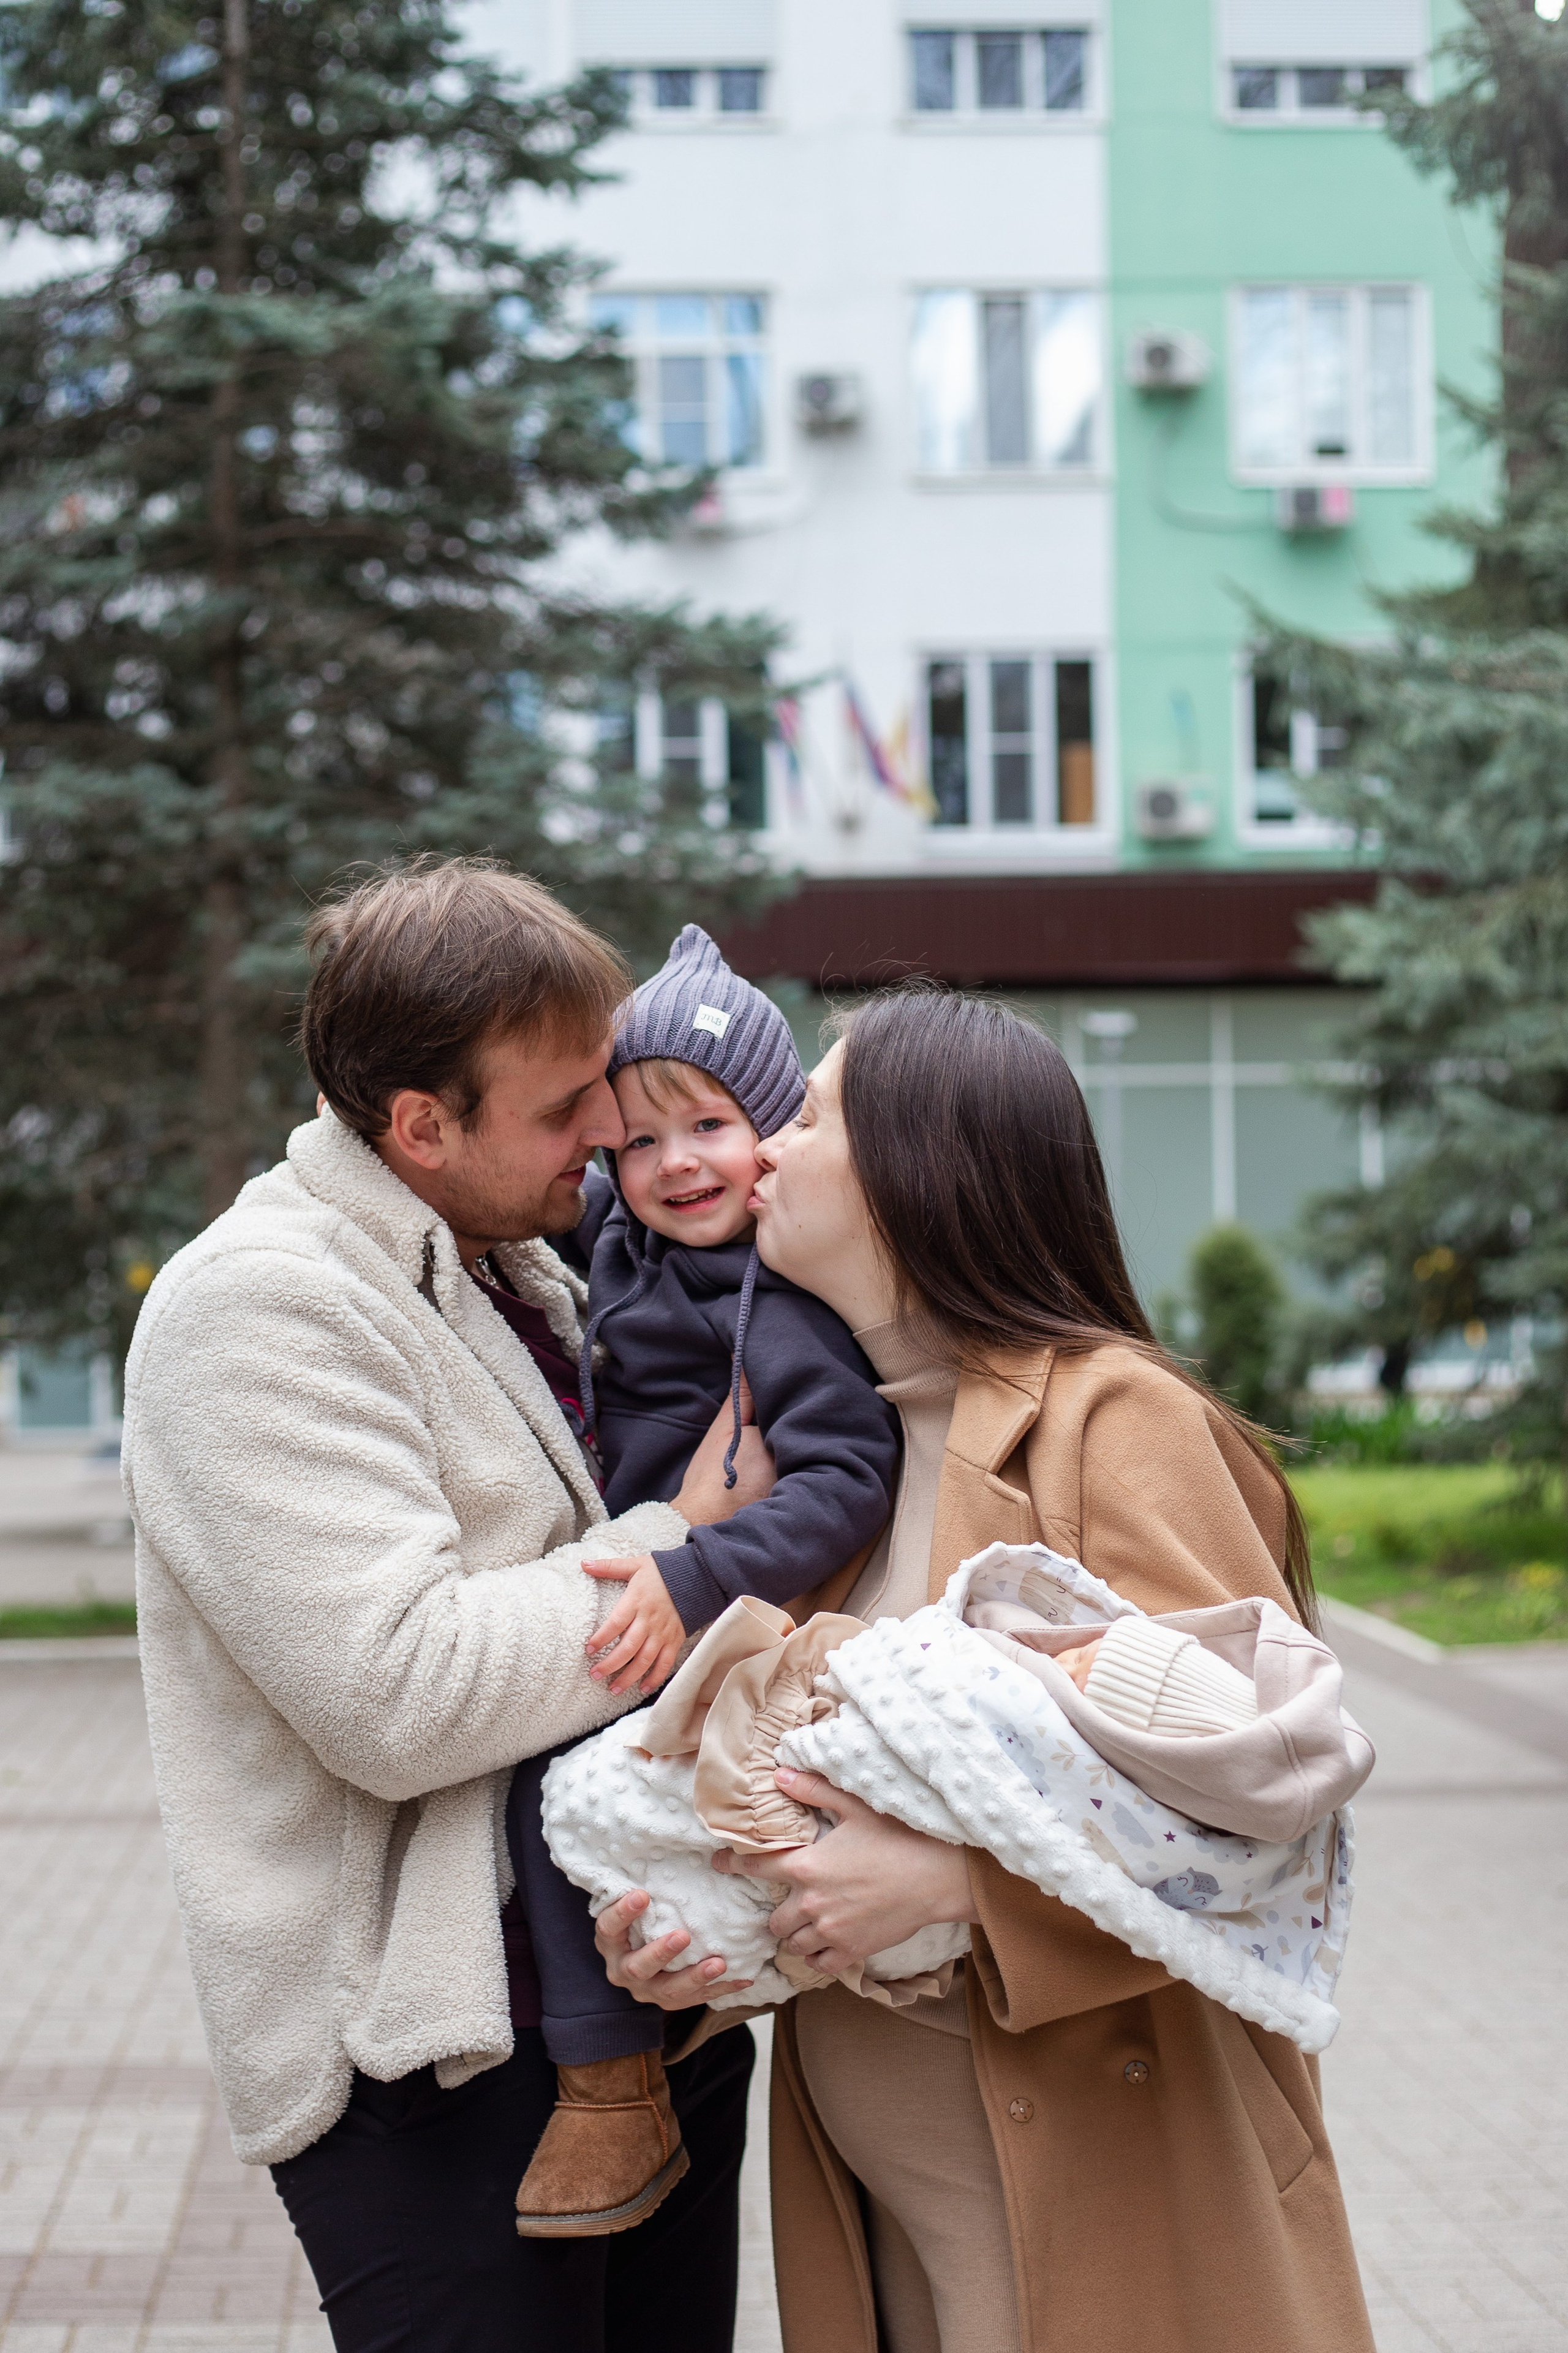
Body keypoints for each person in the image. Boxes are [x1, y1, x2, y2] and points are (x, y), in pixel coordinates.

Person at [592, 988, 1378, 2353]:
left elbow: (1270, 1801)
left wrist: (960, 1885)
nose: (764, 1147)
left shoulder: (1109, 1417)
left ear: (916, 1169)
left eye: (814, 1115)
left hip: (1100, 2202)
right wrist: (692, 1934)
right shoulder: (840, 1457)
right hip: (891, 2220)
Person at [121, 860, 774, 2353]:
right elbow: (398, 1692)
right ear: (420, 1125)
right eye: (563, 1109)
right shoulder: (258, 1305)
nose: (610, 1132)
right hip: (435, 2056)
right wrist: (690, 1542)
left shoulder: (507, 1263)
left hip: (633, 2001)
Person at [507, 924, 899, 2238]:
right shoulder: (630, 1235)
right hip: (644, 1571)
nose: (673, 1164)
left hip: (717, 1608)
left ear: (776, 1134)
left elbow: (847, 1477)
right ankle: (647, 2017)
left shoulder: (779, 1306)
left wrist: (695, 1571)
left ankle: (609, 2086)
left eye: (711, 1127)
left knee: (550, 1791)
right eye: (637, 1138)